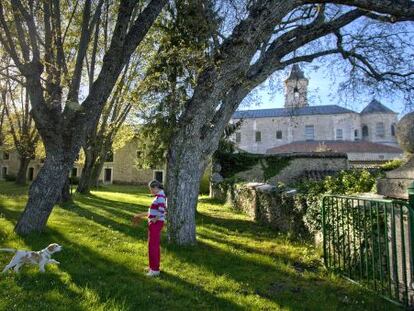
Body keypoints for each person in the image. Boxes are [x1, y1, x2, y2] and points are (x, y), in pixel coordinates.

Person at [132, 180, 166, 277]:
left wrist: (154, 219)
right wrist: (140, 215)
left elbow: (162, 210)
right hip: (154, 223)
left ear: (155, 187)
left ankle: (155, 270)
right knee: (152, 245)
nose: (150, 191)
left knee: (153, 246)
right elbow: (153, 212)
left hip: (156, 223)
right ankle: (152, 266)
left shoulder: (160, 197)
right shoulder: (159, 196)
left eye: (151, 189)